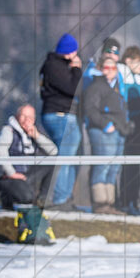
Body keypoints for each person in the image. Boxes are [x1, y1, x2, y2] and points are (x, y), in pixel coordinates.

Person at [39, 33, 83, 210]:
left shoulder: (55, 65)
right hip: (60, 115)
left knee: (70, 158)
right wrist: (77, 69)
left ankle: (66, 198)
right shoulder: (54, 66)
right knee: (65, 158)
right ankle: (59, 199)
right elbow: (74, 88)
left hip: (63, 115)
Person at [82, 57, 131, 214]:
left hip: (118, 132)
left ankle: (110, 203)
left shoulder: (117, 87)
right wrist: (105, 124)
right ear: (100, 68)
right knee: (102, 165)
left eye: (112, 68)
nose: (108, 70)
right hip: (102, 131)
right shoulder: (96, 86)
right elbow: (90, 109)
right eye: (105, 67)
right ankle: (100, 203)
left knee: (113, 167)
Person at [0, 104, 57, 209]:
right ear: (17, 116)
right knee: (27, 198)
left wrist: (37, 136)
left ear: (34, 119)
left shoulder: (34, 132)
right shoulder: (9, 130)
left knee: (52, 162)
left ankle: (43, 199)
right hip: (8, 177)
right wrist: (12, 173)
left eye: (30, 117)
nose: (26, 120)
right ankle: (6, 197)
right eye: (23, 116)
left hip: (26, 174)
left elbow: (53, 151)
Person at [119, 46, 140, 212]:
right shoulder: (122, 73)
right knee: (127, 163)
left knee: (136, 163)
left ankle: (134, 199)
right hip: (129, 123)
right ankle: (124, 199)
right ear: (128, 60)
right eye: (139, 62)